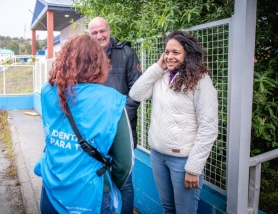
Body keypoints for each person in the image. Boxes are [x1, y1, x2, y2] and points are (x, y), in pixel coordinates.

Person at [34, 34, 133, 214]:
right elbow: (124, 163)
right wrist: (108, 186)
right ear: (99, 63)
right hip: (91, 195)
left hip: (51, 189)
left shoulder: (47, 91)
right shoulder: (111, 101)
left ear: (63, 60)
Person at [129, 30, 218, 214]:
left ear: (188, 54)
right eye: (167, 52)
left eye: (175, 52)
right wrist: (157, 67)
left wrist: (194, 168)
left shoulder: (201, 81)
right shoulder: (161, 76)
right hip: (158, 155)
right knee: (168, 209)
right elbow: (135, 94)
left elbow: (208, 127)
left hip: (183, 161)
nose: (169, 56)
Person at [88, 16, 142, 214]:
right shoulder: (87, 56)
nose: (99, 36)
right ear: (89, 35)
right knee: (97, 179)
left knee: (124, 181)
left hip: (121, 128)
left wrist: (117, 118)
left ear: (109, 30)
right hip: (94, 132)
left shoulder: (126, 53)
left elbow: (137, 91)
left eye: (102, 31)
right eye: (94, 33)